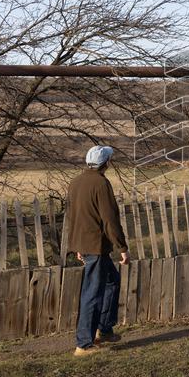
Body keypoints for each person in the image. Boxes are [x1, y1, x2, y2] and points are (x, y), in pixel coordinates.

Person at [66, 145, 130, 356]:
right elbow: (109, 219)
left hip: (86, 245)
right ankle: (84, 344)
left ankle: (104, 329)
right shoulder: (101, 184)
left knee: (111, 282)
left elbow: (75, 215)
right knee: (92, 293)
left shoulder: (75, 183)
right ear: (106, 163)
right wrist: (122, 247)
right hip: (95, 246)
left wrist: (77, 246)